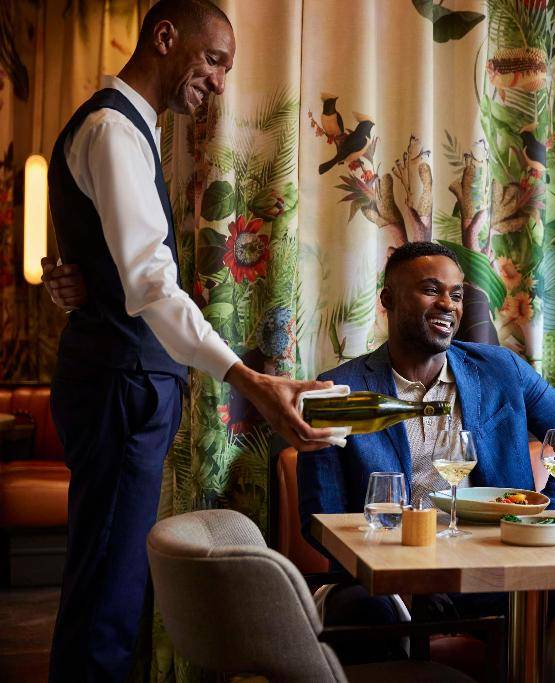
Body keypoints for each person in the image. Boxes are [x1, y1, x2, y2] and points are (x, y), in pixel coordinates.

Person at [43, 2, 333, 680]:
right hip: (122, 386)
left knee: (108, 585)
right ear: (165, 36)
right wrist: (249, 379)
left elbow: (114, 271)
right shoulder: (114, 130)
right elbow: (150, 283)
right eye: (213, 60)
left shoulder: (124, 129)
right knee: (107, 598)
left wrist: (78, 286)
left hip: (123, 382)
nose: (220, 82)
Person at [297, 241, 555, 661]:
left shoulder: (501, 370)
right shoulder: (339, 390)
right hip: (385, 582)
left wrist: (542, 512)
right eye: (431, 290)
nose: (448, 304)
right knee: (361, 613)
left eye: (456, 294)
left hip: (494, 570)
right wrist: (399, 574)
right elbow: (320, 520)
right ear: (388, 300)